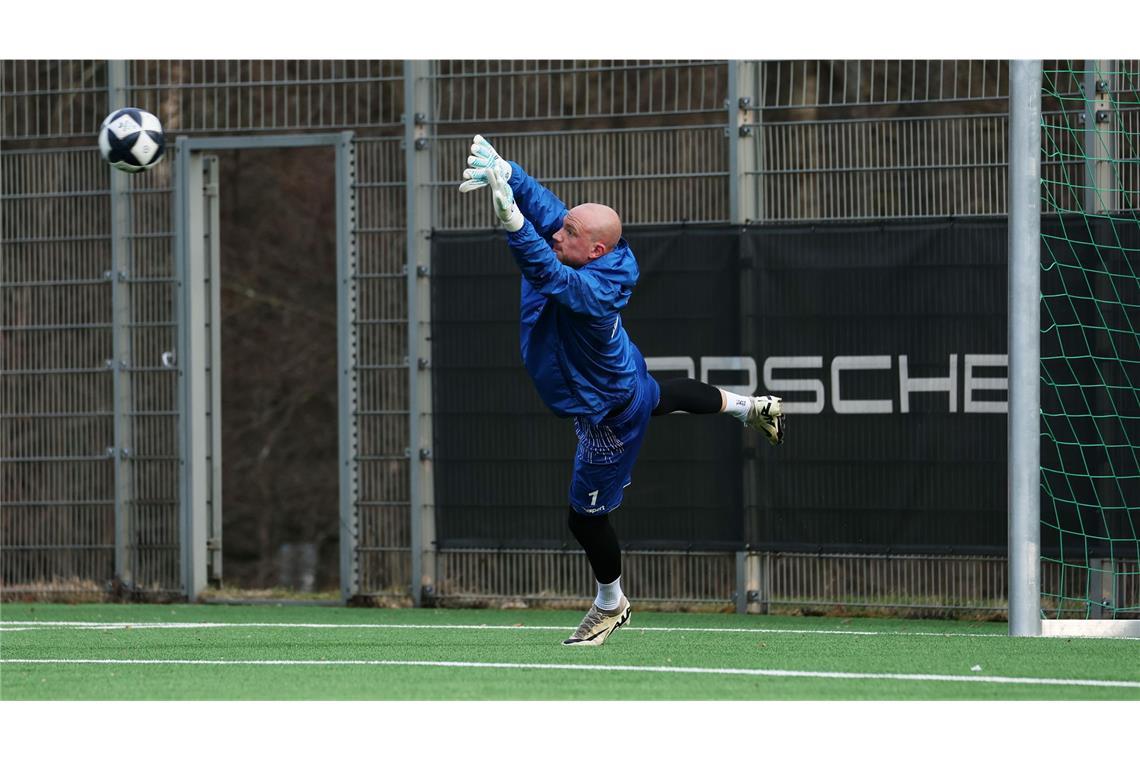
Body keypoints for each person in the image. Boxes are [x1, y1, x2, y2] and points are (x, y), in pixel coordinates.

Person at [458, 136, 785, 646]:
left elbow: (552, 278)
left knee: (585, 519)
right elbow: (550, 215)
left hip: (607, 416)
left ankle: (611, 604)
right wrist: (510, 172)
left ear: (595, 251)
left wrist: (514, 226)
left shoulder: (587, 289)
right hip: (623, 379)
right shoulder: (586, 247)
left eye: (568, 231)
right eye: (562, 227)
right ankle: (751, 407)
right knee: (661, 397)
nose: (556, 232)